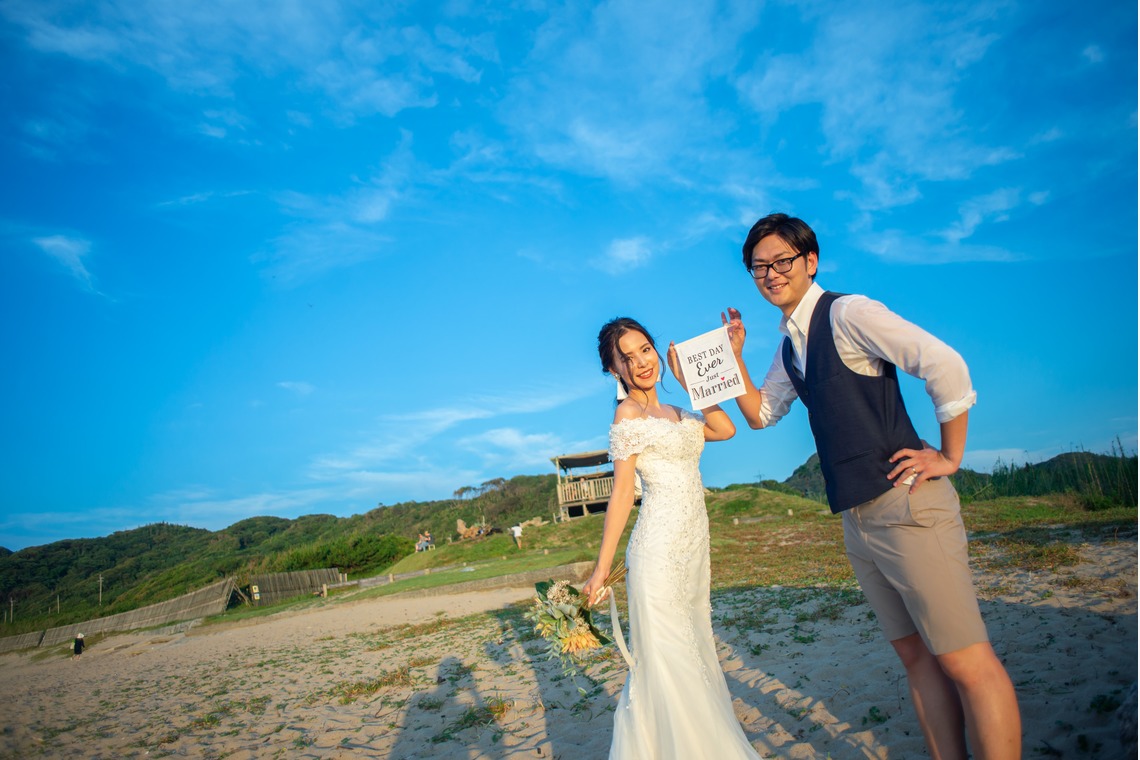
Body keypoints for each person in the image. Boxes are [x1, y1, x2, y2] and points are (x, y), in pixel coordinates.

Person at [725, 212, 1021, 760]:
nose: (770, 274)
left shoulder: (848, 313)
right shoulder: (790, 346)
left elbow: (944, 364)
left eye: (782, 261)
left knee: (965, 660)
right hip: (858, 521)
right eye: (758, 266)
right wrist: (734, 359)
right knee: (917, 660)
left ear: (810, 262)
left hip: (908, 505)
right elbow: (762, 413)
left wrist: (950, 455)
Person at [581, 317, 759, 760]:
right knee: (669, 657)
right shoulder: (628, 416)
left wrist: (692, 383)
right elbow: (622, 494)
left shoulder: (678, 413)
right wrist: (602, 571)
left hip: (693, 552)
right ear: (613, 371)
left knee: (694, 649)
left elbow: (726, 429)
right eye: (627, 357)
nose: (641, 362)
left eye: (645, 349)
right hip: (656, 554)